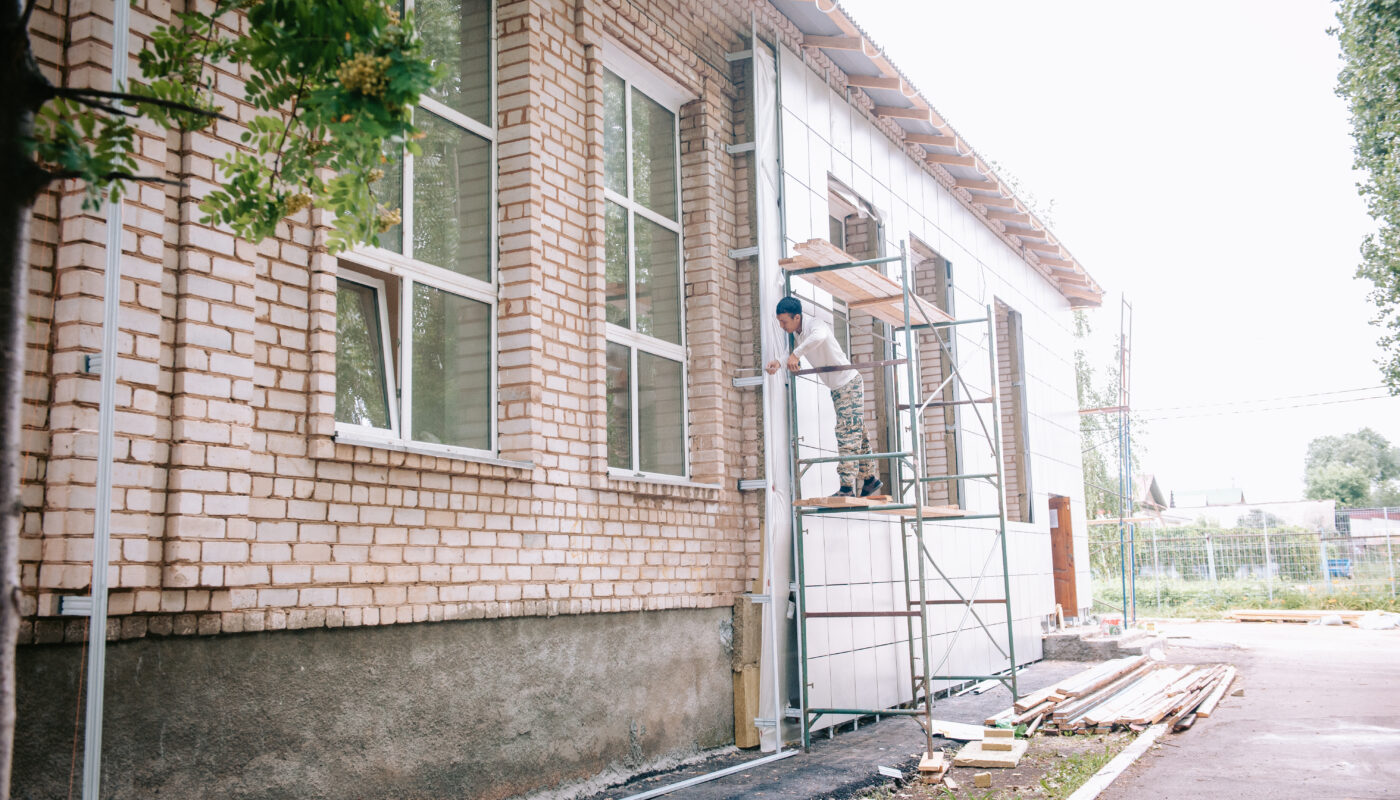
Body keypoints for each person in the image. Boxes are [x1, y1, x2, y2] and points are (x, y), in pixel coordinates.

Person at [766, 296, 882, 498]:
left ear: (797, 317)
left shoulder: (814, 325)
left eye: (784, 321)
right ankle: (870, 479)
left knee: (847, 433)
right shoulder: (798, 334)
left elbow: (818, 338)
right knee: (856, 432)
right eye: (780, 322)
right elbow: (790, 354)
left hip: (848, 383)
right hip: (838, 388)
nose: (782, 326)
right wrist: (778, 362)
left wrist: (797, 355)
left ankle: (847, 488)